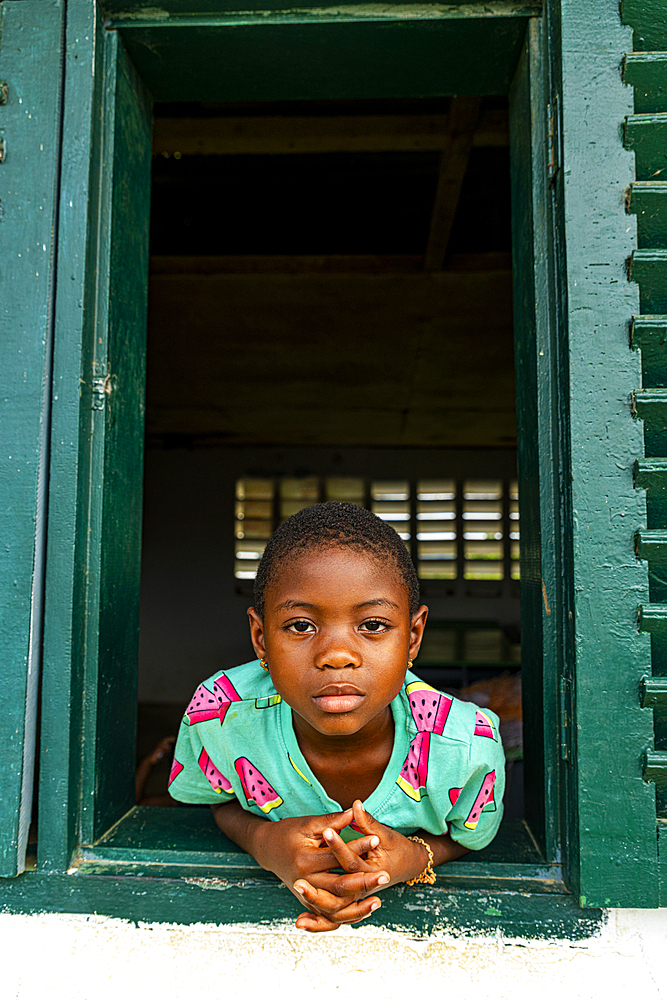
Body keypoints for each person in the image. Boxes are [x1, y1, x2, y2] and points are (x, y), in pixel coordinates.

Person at [169, 502, 505, 932]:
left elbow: (467, 836)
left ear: (414, 636)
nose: (336, 655)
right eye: (300, 626)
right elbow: (219, 799)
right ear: (260, 638)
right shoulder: (219, 717)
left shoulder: (465, 746)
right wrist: (263, 841)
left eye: (374, 625)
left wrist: (416, 857)